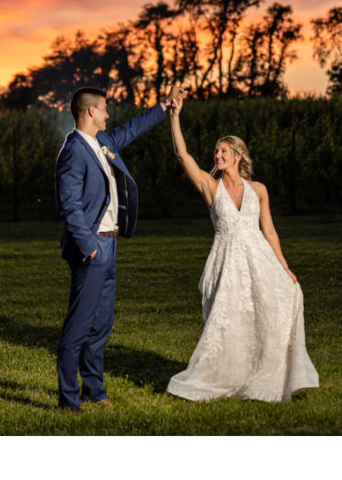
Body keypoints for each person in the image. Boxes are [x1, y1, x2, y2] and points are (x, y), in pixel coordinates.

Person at [163, 94, 318, 402]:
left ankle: (268, 376)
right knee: (226, 321)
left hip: (258, 260)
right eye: (216, 151)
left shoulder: (258, 190)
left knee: (278, 304)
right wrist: (174, 116)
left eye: (223, 151)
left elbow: (269, 230)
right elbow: (183, 155)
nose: (217, 155)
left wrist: (284, 267)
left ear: (237, 156)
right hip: (224, 262)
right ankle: (218, 377)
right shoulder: (211, 186)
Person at [54, 85, 175, 411]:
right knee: (78, 329)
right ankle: (68, 400)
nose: (108, 114)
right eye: (105, 109)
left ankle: (94, 391)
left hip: (111, 245)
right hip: (92, 248)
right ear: (91, 111)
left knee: (100, 327)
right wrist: (89, 246)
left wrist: (164, 106)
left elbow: (131, 129)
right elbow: (70, 206)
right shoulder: (73, 150)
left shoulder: (102, 142)